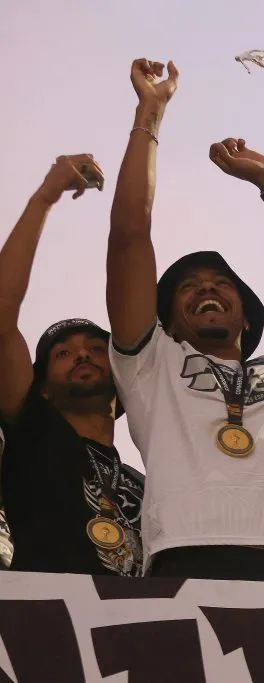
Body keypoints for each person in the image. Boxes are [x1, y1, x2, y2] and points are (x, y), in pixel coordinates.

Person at [105, 58, 264, 583]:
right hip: (186, 564)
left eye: (221, 284)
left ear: (246, 313)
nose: (207, 289)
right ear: (166, 322)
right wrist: (149, 114)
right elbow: (130, 235)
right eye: (189, 289)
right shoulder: (152, 362)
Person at [0, 155, 146, 576]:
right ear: (41, 387)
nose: (81, 355)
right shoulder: (32, 430)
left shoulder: (146, 482)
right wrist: (45, 196)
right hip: (50, 631)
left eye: (96, 349)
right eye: (62, 354)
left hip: (141, 634)